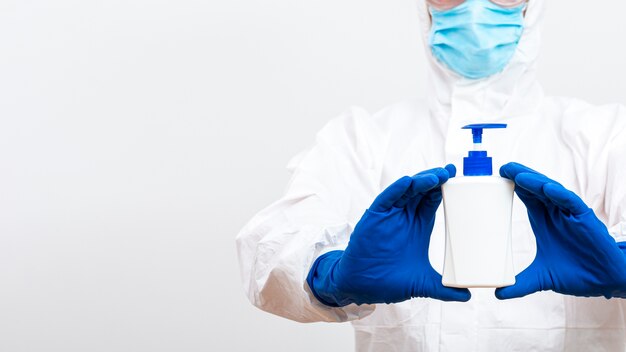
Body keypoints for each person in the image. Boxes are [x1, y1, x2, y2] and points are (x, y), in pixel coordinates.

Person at [236, 0, 626, 350]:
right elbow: (271, 243)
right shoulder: (363, 140)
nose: (475, 8)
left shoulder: (606, 137)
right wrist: (328, 273)